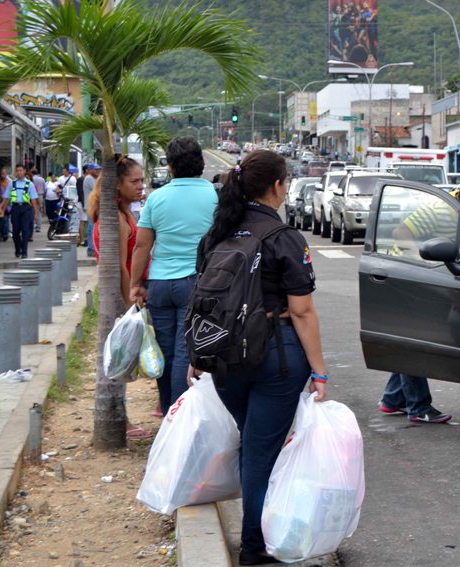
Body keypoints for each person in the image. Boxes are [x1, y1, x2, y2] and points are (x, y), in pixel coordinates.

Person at [195, 149, 328, 566]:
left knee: (252, 441)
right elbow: (302, 311)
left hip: (222, 357)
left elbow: (202, 301)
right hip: (275, 357)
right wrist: (320, 372)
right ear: (277, 186)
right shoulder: (283, 237)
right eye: (286, 182)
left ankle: (261, 531)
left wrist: (195, 357)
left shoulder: (215, 235)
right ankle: (255, 545)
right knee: (260, 450)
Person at [380, 178, 460, 423]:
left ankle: (392, 400)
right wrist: (425, 268)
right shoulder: (439, 211)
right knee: (416, 342)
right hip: (408, 280)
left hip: (428, 280)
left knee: (409, 341)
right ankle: (419, 407)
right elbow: (400, 234)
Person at [130, 137, 218, 417]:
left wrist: (136, 284)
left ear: (169, 167)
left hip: (159, 285)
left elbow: (143, 245)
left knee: (164, 350)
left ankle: (168, 409)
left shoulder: (157, 198)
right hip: (196, 282)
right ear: (201, 164)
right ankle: (179, 416)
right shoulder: (215, 196)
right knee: (185, 350)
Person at [89, 155, 153, 440]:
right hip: (121, 297)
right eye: (134, 181)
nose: (141, 186)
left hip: (127, 296)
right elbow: (121, 266)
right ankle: (120, 420)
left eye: (142, 180)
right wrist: (131, 302)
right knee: (118, 361)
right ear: (117, 185)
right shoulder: (115, 218)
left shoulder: (124, 213)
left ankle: (123, 417)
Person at [0, 164, 38, 258]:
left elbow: (34, 200)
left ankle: (24, 252)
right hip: (15, 208)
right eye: (17, 171)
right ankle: (18, 248)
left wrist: (35, 214)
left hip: (26, 208)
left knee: (25, 231)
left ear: (24, 171)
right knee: (15, 232)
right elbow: (7, 198)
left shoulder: (29, 184)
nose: (19, 172)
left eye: (20, 170)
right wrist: (2, 208)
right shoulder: (12, 183)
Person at [83, 163, 100, 255]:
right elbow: (98, 190)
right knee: (92, 228)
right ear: (89, 170)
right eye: (95, 169)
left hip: (92, 206)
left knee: (92, 228)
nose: (97, 171)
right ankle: (91, 248)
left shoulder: (92, 178)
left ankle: (91, 248)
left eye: (98, 170)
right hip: (91, 207)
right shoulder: (89, 178)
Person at [30, 168, 45, 233]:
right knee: (39, 211)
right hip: (40, 195)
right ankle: (38, 226)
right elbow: (45, 188)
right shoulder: (42, 179)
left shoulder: (31, 179)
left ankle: (33, 225)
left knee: (32, 210)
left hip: (33, 195)